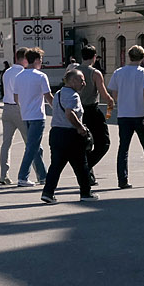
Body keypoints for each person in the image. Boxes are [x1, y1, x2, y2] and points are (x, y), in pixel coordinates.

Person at [107, 44, 144, 189]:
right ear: (143, 57)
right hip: (140, 115)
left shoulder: (118, 72)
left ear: (129, 56)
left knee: (123, 148)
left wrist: (121, 102)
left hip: (124, 115)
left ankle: (123, 180)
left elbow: (114, 92)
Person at [40, 68, 98, 204]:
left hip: (57, 133)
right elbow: (69, 113)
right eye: (81, 80)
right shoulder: (73, 95)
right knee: (81, 165)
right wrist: (80, 128)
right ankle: (86, 193)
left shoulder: (59, 93)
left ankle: (48, 193)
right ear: (72, 81)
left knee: (56, 165)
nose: (84, 83)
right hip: (70, 135)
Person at [0, 48, 44, 185]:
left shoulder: (7, 72)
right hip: (19, 109)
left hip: (6, 108)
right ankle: (40, 175)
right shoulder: (22, 73)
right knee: (32, 143)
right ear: (24, 59)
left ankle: (4, 175)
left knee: (6, 144)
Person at [13, 48, 53, 187]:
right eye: (40, 60)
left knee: (35, 147)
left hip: (25, 115)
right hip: (37, 115)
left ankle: (43, 176)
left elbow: (16, 97)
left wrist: (24, 106)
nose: (41, 63)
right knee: (31, 147)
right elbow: (48, 97)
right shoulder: (41, 76)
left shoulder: (19, 76)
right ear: (36, 60)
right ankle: (23, 177)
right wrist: (58, 109)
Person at [77, 44, 114, 185]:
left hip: (77, 111)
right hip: (92, 110)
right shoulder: (95, 73)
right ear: (94, 57)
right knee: (103, 143)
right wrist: (110, 101)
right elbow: (103, 94)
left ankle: (88, 176)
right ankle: (85, 169)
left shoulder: (73, 71)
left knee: (84, 144)